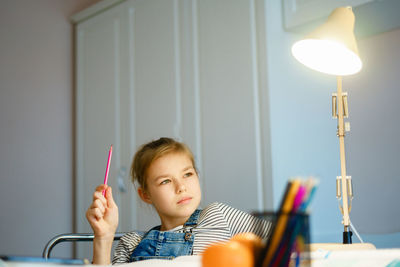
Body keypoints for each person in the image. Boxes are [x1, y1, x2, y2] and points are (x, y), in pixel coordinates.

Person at [86, 137, 271, 265]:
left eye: (188, 174)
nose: (181, 187)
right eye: (165, 181)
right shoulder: (132, 243)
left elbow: (282, 241)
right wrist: (103, 237)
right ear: (146, 195)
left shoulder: (218, 215)